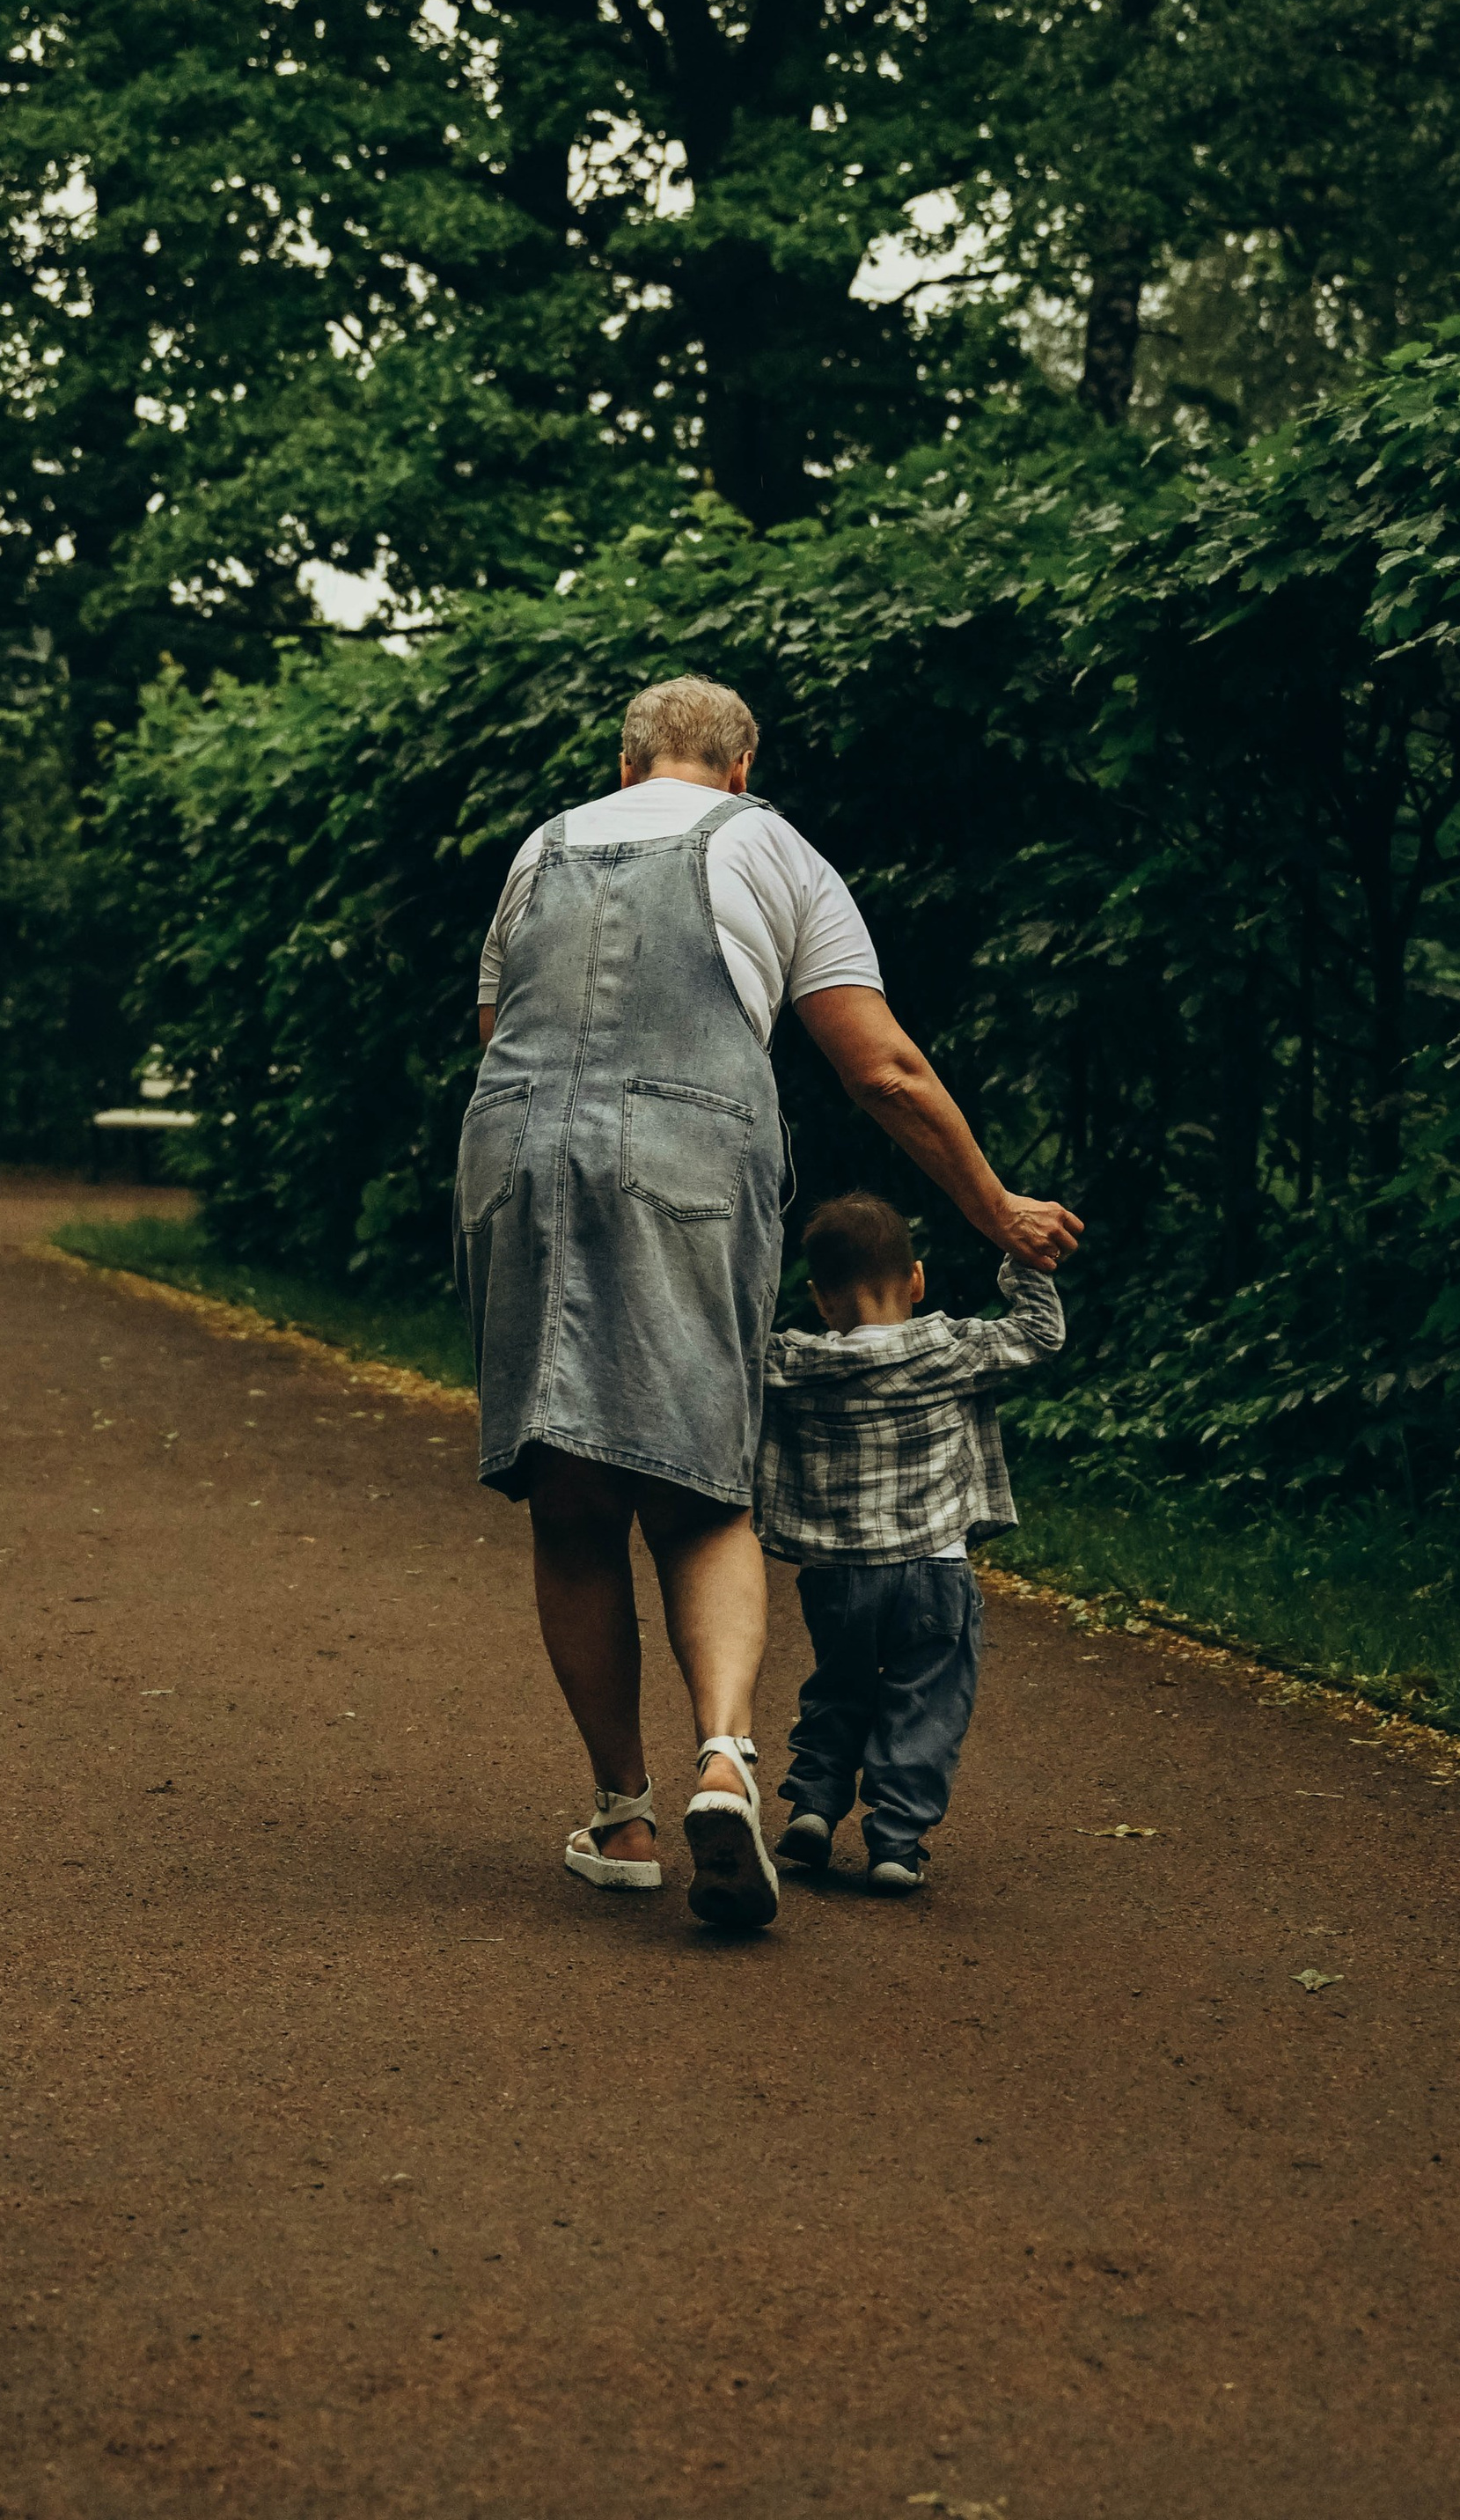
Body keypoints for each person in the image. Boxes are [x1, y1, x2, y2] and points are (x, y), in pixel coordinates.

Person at [457, 673, 1081, 1934]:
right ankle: (730, 1761)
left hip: (515, 1156)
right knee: (700, 1494)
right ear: (742, 768)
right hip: (686, 1163)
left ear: (626, 765)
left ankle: (623, 1815)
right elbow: (882, 1068)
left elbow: (496, 1029)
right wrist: (992, 1208)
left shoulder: (538, 847)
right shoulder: (773, 844)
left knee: (569, 1502)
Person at [759, 1190, 1063, 1894]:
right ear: (917, 1280)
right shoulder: (951, 1348)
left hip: (838, 1576)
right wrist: (1023, 1259)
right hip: (936, 1568)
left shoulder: (794, 1363)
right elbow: (1040, 1333)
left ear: (819, 1297)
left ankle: (813, 1802)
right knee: (927, 1700)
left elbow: (728, 1351)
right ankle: (895, 1840)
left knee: (838, 1684)